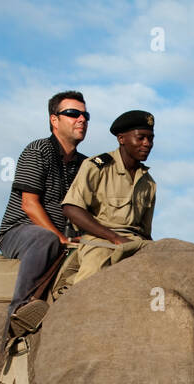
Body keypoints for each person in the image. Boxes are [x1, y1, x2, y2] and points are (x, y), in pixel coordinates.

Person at [0, 91, 89, 335]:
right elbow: (29, 204)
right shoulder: (38, 150)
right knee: (44, 239)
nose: (81, 119)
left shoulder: (87, 165)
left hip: (65, 239)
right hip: (21, 232)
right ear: (54, 120)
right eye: (72, 113)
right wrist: (59, 237)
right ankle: (19, 313)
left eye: (85, 114)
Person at [58, 110, 157, 289]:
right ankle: (74, 311)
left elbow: (145, 230)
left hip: (137, 242)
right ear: (121, 139)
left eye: (151, 139)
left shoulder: (149, 182)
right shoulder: (97, 166)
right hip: (100, 240)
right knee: (91, 279)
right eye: (141, 138)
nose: (147, 144)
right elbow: (71, 208)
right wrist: (115, 238)